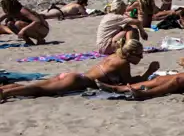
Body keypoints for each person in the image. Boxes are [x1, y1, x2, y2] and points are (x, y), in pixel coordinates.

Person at [98, 3, 184, 99]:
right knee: (161, 79)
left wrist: (182, 61)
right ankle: (120, 88)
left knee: (177, 81)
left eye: (181, 21)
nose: (181, 24)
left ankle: (146, 94)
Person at [0, 38, 156, 101]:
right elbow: (128, 83)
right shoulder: (123, 63)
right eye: (140, 54)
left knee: (37, 86)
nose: (141, 58)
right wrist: (148, 72)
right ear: (130, 54)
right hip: (78, 81)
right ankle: (6, 92)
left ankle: (5, 89)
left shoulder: (116, 56)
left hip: (75, 76)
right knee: (38, 90)